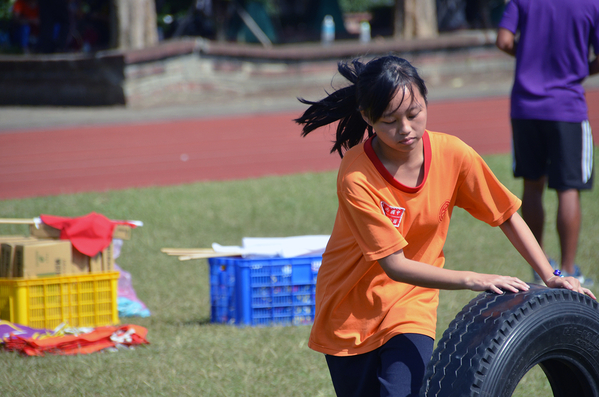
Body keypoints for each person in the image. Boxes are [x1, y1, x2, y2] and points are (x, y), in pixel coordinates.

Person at [294, 55, 596, 397]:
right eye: (390, 121)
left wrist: (550, 274)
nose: (405, 129)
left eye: (414, 113)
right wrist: (474, 279)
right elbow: (394, 264)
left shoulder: (453, 154)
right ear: (368, 118)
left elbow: (507, 214)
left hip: (411, 304)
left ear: (426, 101)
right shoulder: (356, 174)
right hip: (349, 311)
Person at [496, 0, 599, 287]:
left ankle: (539, 269)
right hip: (567, 107)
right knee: (569, 189)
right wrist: (580, 68)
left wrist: (529, 56)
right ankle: (568, 272)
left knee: (532, 185)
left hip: (525, 107)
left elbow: (503, 40)